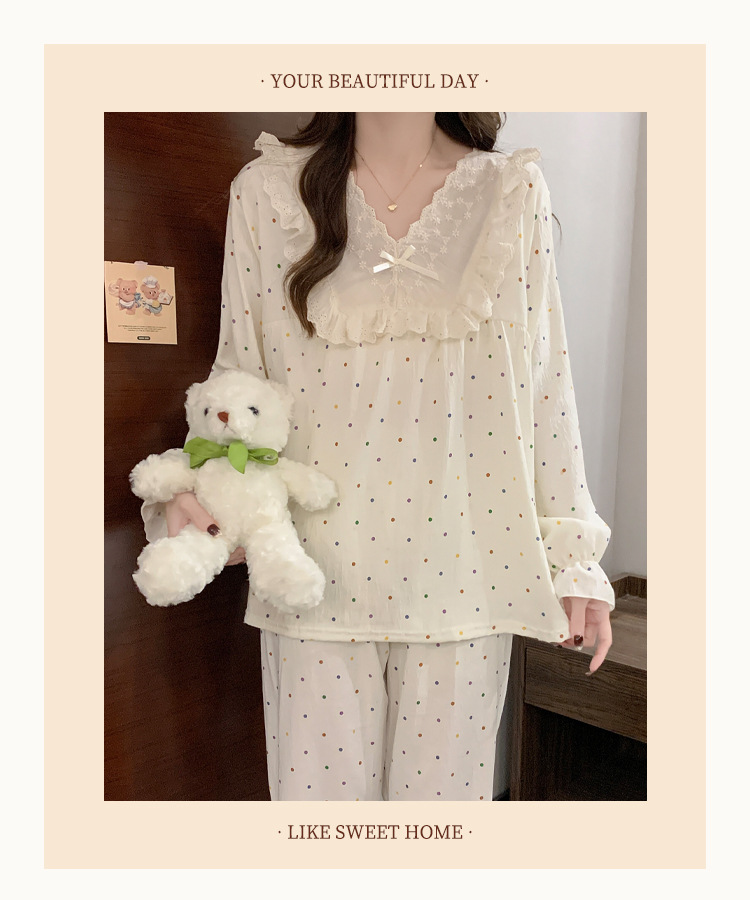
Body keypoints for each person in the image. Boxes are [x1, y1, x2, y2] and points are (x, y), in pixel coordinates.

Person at [141, 112, 616, 802]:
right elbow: (239, 376)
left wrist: (573, 552)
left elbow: (545, 386)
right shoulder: (266, 192)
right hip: (311, 580)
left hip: (466, 580)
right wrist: (199, 487)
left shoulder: (512, 191)